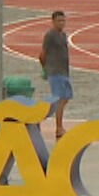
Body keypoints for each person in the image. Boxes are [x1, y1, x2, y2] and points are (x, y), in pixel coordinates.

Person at [37, 10, 73, 139]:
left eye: (63, 20)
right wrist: (45, 69)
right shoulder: (50, 35)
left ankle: (41, 114)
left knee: (65, 98)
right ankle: (58, 128)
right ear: (53, 21)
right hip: (55, 72)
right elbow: (42, 55)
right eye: (59, 21)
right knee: (59, 100)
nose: (62, 23)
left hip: (64, 71)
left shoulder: (63, 35)